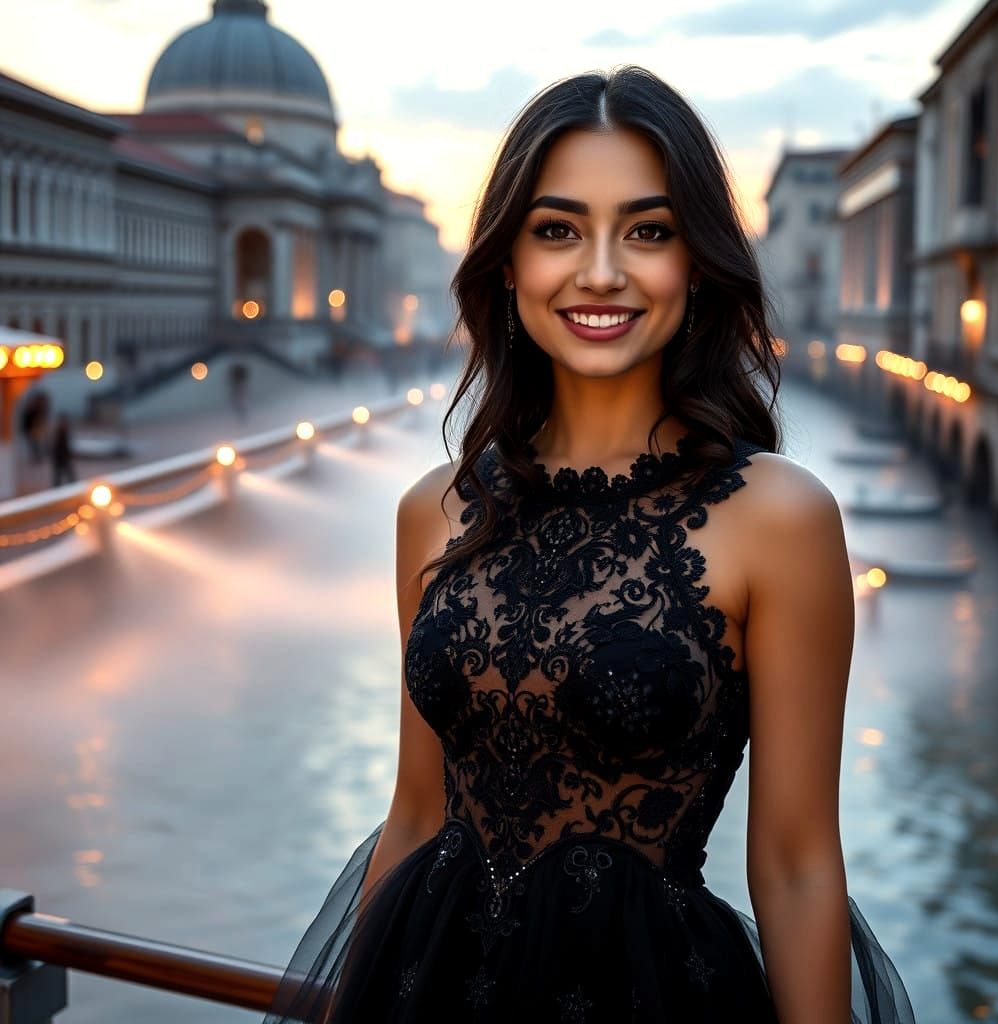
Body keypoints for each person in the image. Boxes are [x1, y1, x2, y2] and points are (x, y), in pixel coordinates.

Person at [262, 66, 916, 1024]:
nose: (601, 272)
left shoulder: (781, 518)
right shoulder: (432, 511)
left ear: (697, 263)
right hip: (425, 985)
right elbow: (416, 811)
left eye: (647, 232)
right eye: (557, 230)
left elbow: (796, 863)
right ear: (507, 263)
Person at [50, 412, 76, 487]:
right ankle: (59, 488)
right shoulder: (59, 432)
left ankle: (72, 486)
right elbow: (55, 445)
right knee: (60, 474)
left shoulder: (65, 431)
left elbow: (68, 444)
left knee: (66, 474)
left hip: (63, 456)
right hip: (60, 456)